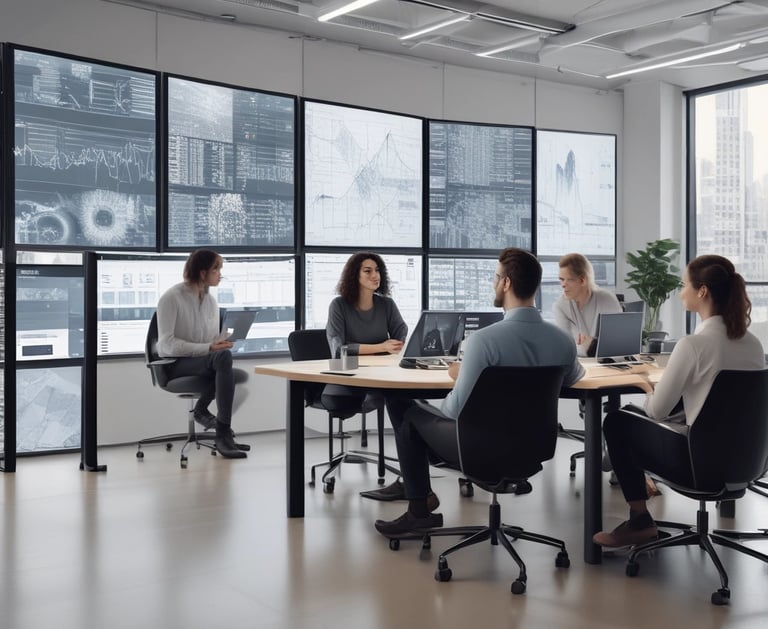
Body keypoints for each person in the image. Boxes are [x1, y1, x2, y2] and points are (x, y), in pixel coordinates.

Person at [374, 248, 585, 536]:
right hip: (534, 448)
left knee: (407, 411)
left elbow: (453, 411)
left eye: (495, 278)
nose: (493, 284)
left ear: (507, 283)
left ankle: (419, 509)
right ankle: (420, 499)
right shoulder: (562, 341)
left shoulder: (483, 342)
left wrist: (462, 376)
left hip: (477, 449)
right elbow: (572, 378)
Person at [593, 255, 765, 548]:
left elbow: (657, 411)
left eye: (685, 285)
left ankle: (640, 521)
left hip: (698, 466)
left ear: (702, 291)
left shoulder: (693, 345)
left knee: (618, 421)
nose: (680, 291)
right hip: (747, 465)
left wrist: (649, 385)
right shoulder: (753, 344)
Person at [156, 249, 249, 459]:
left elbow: (208, 343)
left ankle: (206, 416)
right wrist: (208, 349)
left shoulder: (211, 302)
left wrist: (220, 343)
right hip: (175, 364)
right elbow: (166, 345)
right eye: (217, 268)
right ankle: (223, 433)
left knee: (225, 361)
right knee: (225, 364)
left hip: (201, 360)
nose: (220, 274)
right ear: (202, 272)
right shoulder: (171, 298)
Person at [553, 253, 622, 356]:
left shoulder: (607, 299)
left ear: (582, 280)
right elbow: (564, 348)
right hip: (576, 367)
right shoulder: (560, 306)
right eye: (561, 279)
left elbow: (619, 343)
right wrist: (591, 345)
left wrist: (590, 345)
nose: (563, 285)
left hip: (608, 365)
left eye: (569, 280)